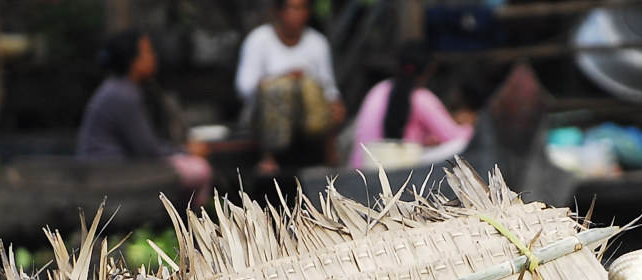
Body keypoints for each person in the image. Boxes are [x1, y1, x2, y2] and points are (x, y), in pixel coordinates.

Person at [77, 29, 214, 205]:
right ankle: (189, 219)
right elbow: (147, 151)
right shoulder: (122, 95)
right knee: (200, 168)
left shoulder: (120, 89)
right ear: (132, 60)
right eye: (148, 52)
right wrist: (186, 151)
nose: (154, 57)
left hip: (114, 166)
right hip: (110, 171)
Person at [234, 0, 347, 175]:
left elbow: (329, 88)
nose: (297, 14)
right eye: (292, 8)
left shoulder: (318, 42)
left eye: (302, 8)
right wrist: (282, 78)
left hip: (307, 120)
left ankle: (329, 157)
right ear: (278, 11)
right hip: (264, 120)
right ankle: (269, 156)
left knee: (311, 87)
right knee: (280, 88)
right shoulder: (258, 40)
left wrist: (335, 104)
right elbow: (244, 86)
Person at [347, 41, 473, 171]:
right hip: (398, 169)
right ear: (429, 69)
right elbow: (455, 137)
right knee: (460, 145)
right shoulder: (421, 98)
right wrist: (471, 123)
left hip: (363, 168)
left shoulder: (378, 90)